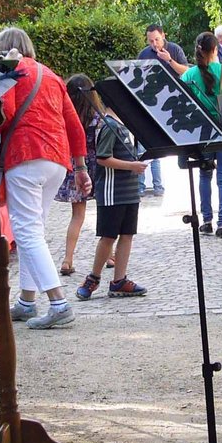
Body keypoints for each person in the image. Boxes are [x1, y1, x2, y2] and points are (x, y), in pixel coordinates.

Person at [0, 27, 92, 330]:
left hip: (24, 156)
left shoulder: (9, 71)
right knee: (31, 231)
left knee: (27, 232)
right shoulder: (50, 75)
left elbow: (4, 113)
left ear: (5, 49)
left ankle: (59, 303)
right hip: (56, 160)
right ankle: (25, 301)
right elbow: (73, 123)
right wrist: (80, 166)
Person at [75, 89, 150, 299]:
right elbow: (102, 157)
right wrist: (131, 166)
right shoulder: (110, 126)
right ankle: (93, 278)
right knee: (108, 236)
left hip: (129, 191)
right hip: (112, 192)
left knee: (127, 235)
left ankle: (119, 280)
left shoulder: (125, 126)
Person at [180, 31, 222, 236]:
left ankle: (206, 220)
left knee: (204, 175)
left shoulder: (189, 75)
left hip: (203, 131)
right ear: (215, 50)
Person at [55, 73, 100, 276]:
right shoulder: (96, 117)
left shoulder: (63, 116)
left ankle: (68, 259)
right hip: (96, 167)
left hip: (74, 166)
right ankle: (109, 254)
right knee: (104, 212)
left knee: (77, 216)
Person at [137, 24, 188, 195]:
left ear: (163, 36)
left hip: (174, 101)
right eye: (151, 41)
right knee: (149, 142)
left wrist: (169, 60)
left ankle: (163, 183)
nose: (154, 44)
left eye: (157, 40)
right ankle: (146, 185)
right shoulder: (144, 54)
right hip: (151, 101)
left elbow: (186, 71)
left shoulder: (174, 49)